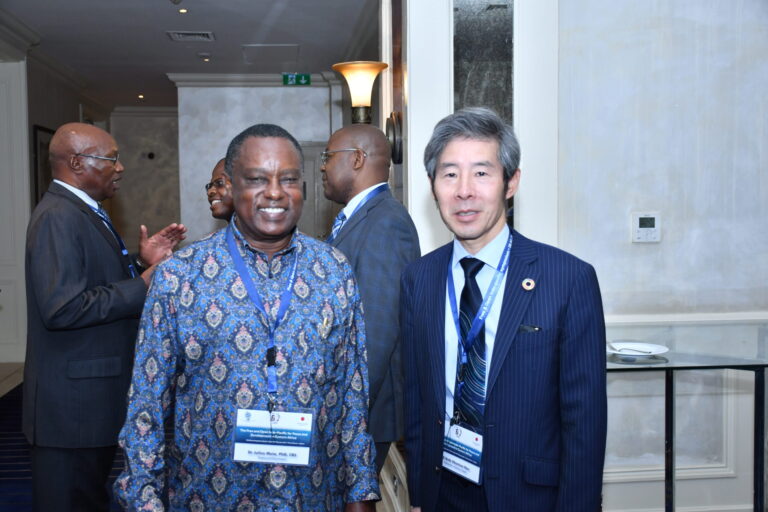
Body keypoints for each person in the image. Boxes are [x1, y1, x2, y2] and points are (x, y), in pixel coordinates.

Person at [115, 123, 380, 511]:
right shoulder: (180, 277)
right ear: (231, 186)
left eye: (288, 179)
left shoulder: (334, 271)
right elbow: (146, 407)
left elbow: (352, 399)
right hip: (209, 497)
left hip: (309, 496)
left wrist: (361, 496)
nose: (274, 192)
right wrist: (145, 502)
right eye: (257, 179)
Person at [401, 108, 607, 511]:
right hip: (443, 492)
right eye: (449, 174)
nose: (464, 191)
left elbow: (585, 420)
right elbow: (416, 399)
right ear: (433, 186)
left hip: (529, 497)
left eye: (481, 173)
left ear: (511, 182)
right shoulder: (418, 279)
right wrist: (419, 495)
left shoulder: (568, 279)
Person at [23, 122, 187, 512]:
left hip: (87, 403)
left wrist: (140, 265)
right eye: (112, 159)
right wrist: (143, 285)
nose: (120, 167)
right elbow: (62, 307)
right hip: (70, 411)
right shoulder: (58, 216)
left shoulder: (83, 211)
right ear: (77, 163)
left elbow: (92, 282)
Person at [321, 124, 420, 471]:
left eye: (328, 156)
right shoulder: (361, 218)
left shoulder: (386, 222)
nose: (322, 166)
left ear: (357, 159)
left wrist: (347, 413)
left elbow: (376, 333)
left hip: (362, 413)